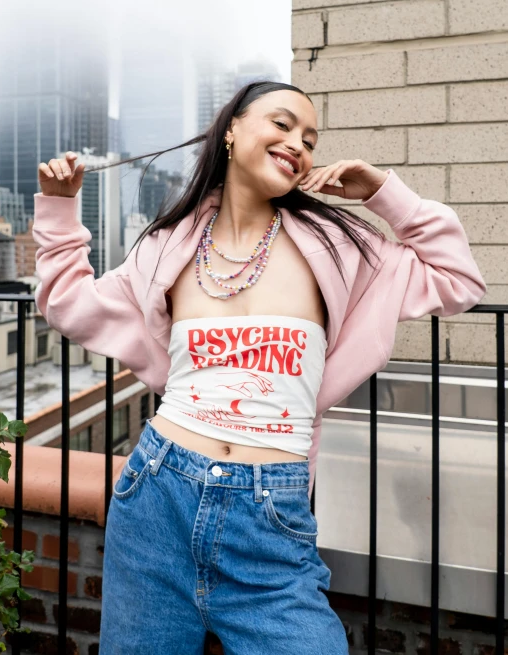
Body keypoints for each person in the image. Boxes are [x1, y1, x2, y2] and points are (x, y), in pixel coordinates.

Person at [33, 81, 486, 654]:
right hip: (156, 501)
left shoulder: (341, 247)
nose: (298, 143)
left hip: (270, 516)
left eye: (309, 138)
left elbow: (459, 280)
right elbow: (69, 305)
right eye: (282, 124)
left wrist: (383, 194)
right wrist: (59, 206)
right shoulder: (165, 249)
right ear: (231, 130)